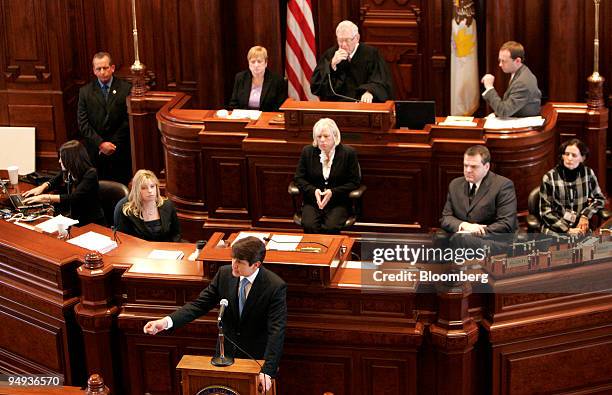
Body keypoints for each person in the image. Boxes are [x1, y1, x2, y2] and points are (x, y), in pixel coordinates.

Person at [143, 236, 286, 392]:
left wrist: (267, 370)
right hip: (225, 356)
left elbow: (276, 331)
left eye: (240, 262)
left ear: (256, 265)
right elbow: (199, 305)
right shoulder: (224, 274)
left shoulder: (275, 286)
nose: (234, 265)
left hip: (255, 360)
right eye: (233, 259)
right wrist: (165, 322)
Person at [441, 145, 517, 253]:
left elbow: (506, 224)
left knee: (460, 240)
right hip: (460, 239)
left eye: (474, 167)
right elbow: (446, 218)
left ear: (486, 166)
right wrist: (465, 226)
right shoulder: (455, 185)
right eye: (465, 165)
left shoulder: (503, 186)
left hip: (492, 241)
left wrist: (474, 231)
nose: (468, 170)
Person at [294, 118, 360, 234]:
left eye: (326, 136)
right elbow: (299, 178)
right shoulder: (307, 152)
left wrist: (333, 192)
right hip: (313, 202)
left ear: (335, 136)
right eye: (319, 137)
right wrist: (314, 191)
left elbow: (354, 182)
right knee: (309, 225)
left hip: (338, 202)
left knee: (331, 227)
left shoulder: (348, 153)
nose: (322, 140)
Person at [78, 52, 132, 184]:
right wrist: (101, 144)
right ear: (94, 71)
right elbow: (83, 123)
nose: (102, 72)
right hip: (96, 152)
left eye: (105, 68)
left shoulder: (126, 89)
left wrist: (112, 144)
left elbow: (128, 120)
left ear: (112, 68)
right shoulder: (85, 92)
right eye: (98, 69)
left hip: (119, 150)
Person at [22, 140, 105, 225]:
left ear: (71, 160)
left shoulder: (91, 174)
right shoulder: (69, 170)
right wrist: (42, 187)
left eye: (62, 158)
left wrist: (46, 197)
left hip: (91, 221)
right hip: (74, 217)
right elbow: (55, 180)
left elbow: (74, 197)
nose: (59, 161)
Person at [310, 20, 393, 103]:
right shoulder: (330, 54)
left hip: (363, 105)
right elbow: (316, 85)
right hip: (337, 106)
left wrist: (370, 92)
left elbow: (382, 81)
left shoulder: (371, 54)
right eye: (340, 40)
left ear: (357, 38)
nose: (343, 45)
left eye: (347, 40)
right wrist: (331, 65)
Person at [539, 139, 606, 235]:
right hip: (556, 228)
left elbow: (599, 199)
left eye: (574, 155)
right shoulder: (549, 178)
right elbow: (545, 212)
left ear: (582, 158)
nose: (569, 158)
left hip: (580, 226)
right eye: (566, 154)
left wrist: (585, 215)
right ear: (562, 156)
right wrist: (567, 230)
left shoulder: (588, 173)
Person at [114, 169, 181, 242]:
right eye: (143, 188)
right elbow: (123, 239)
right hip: (138, 250)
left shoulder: (167, 205)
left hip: (166, 249)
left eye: (152, 186)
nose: (149, 191)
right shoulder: (124, 209)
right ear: (136, 190)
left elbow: (176, 234)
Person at [480, 41, 541, 117]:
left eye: (504, 61)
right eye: (499, 60)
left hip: (522, 124)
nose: (500, 64)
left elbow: (504, 111)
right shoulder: (520, 72)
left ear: (517, 61)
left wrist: (489, 88)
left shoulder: (522, 82)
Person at [228, 46, 287, 112]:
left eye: (259, 61)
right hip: (245, 119)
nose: (256, 65)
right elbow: (233, 104)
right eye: (253, 62)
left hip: (266, 119)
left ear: (266, 62)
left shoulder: (277, 80)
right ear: (248, 63)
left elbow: (280, 107)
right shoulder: (240, 78)